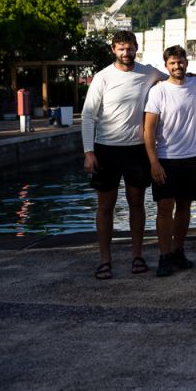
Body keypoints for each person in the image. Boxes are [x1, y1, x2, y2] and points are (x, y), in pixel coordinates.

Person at [81, 30, 166, 280]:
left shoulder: (148, 72)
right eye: (120, 48)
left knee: (137, 203)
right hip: (105, 149)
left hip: (136, 149)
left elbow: (176, 78)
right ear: (113, 50)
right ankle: (105, 260)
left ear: (136, 48)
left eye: (129, 48)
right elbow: (88, 115)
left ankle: (137, 256)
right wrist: (88, 152)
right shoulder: (102, 77)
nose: (125, 53)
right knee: (105, 206)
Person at [143, 45, 196, 277]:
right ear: (166, 66)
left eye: (180, 61)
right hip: (166, 158)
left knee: (185, 206)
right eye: (172, 63)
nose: (177, 66)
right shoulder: (158, 91)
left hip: (193, 156)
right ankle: (164, 254)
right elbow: (148, 131)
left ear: (186, 63)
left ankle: (179, 250)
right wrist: (153, 162)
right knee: (164, 207)